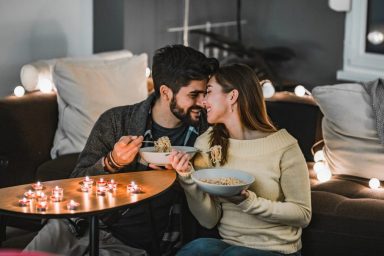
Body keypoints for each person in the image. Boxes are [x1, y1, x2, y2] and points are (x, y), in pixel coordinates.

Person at [24, 45, 219, 256]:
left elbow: (212, 207)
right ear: (165, 92)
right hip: (82, 227)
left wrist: (182, 180)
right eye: (194, 94)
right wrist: (111, 162)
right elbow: (76, 184)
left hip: (135, 246)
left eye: (205, 93)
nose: (203, 102)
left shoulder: (208, 133)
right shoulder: (116, 122)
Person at [168, 63, 311, 256]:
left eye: (208, 92)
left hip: (277, 249)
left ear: (232, 96)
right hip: (228, 244)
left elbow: (303, 215)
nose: (203, 102)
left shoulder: (284, 146)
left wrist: (248, 202)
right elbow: (209, 220)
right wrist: (187, 177)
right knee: (196, 249)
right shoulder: (207, 143)